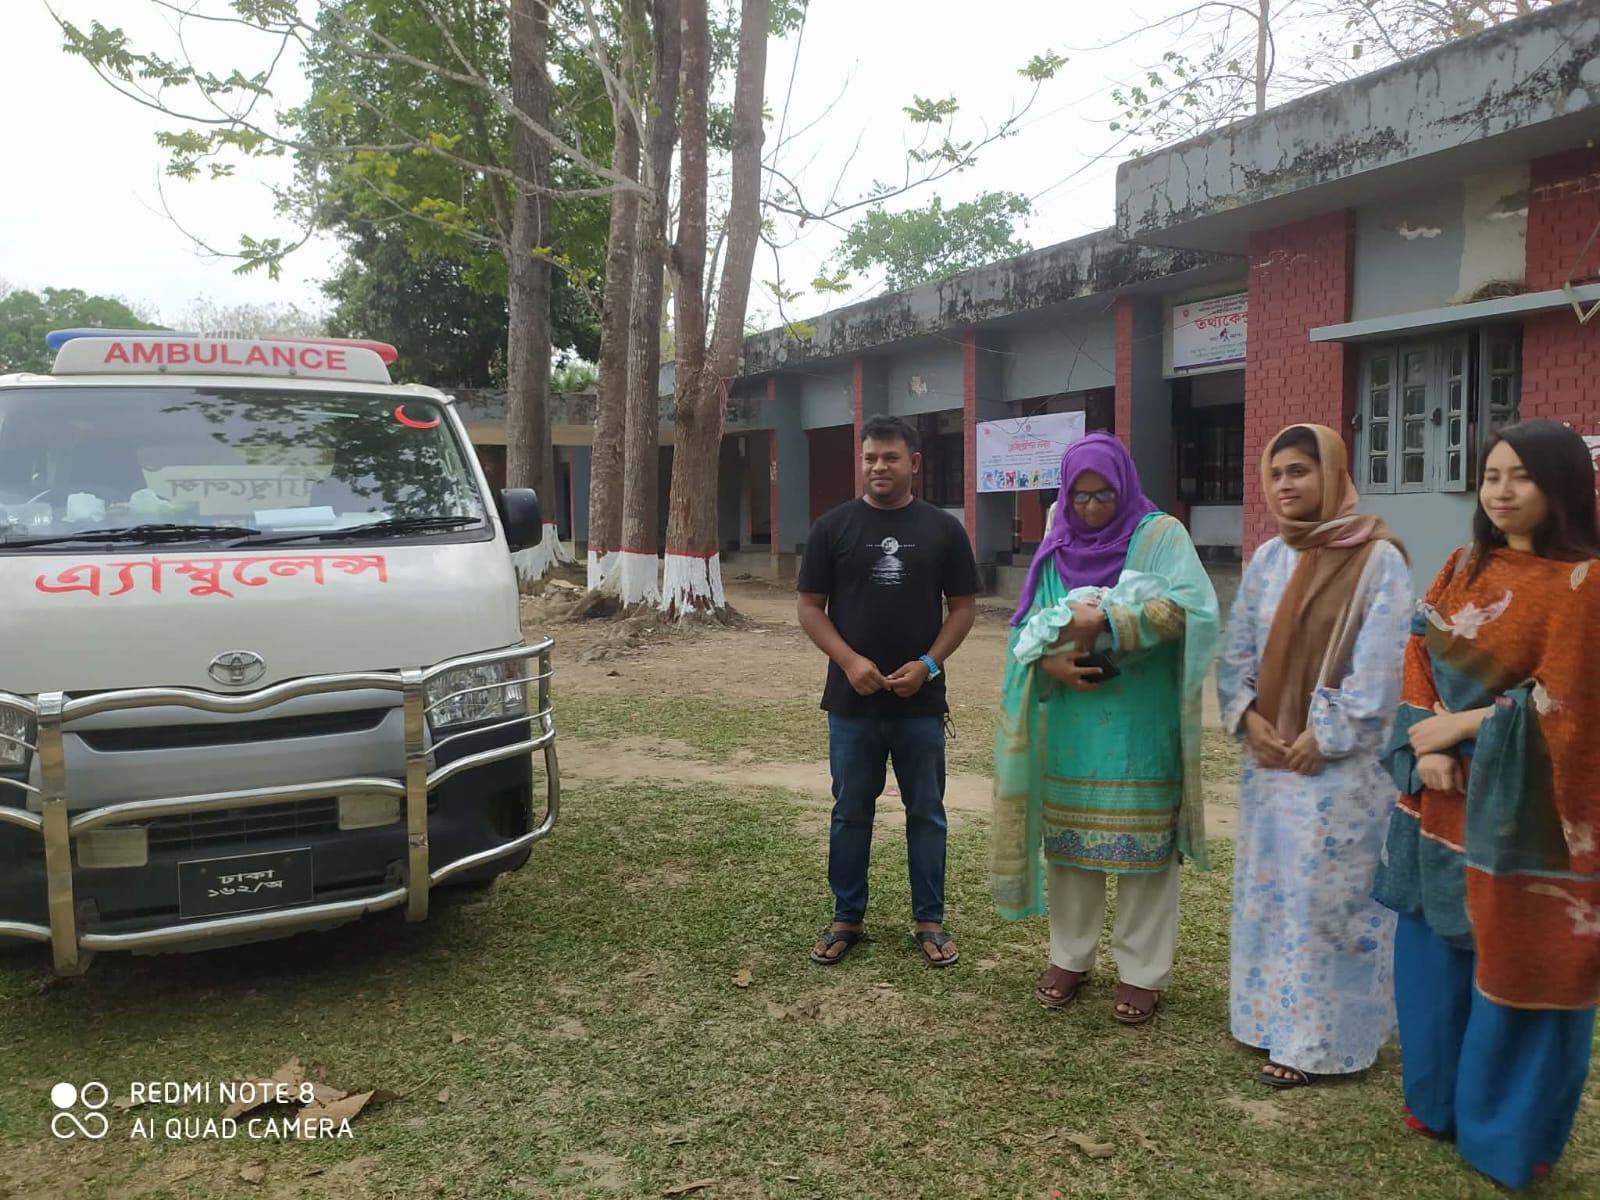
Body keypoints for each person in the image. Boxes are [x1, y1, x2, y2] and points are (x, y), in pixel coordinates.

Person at [1373, 420, 1600, 1191]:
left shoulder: (1586, 583)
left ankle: (1506, 1134)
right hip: (1438, 797)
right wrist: (1424, 746)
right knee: (1435, 952)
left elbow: (1570, 702)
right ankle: (1434, 1103)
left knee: (1516, 961)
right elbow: (1417, 649)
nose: (1501, 491)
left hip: (1523, 816)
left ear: (1563, 485)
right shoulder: (1461, 566)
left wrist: (1465, 727)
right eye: (1491, 475)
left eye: (1521, 477)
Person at [992, 433, 1218, 1023]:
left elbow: (1193, 607)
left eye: (1102, 496)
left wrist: (1109, 617)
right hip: (1072, 718)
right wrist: (1049, 661)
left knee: (1146, 850)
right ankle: (1070, 956)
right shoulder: (1056, 538)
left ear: (1124, 485)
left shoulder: (1161, 535)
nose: (1090, 508)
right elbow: (1027, 623)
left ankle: (1142, 970)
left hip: (1141, 719)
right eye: (1079, 496)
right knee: (1069, 849)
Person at [1216, 424, 1412, 1088]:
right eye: (1276, 474)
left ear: (1333, 474)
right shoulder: (1269, 558)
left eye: (1301, 471)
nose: (1287, 485)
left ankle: (1322, 1042)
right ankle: (1266, 1019)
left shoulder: (1378, 559)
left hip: (1339, 774)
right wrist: (1249, 717)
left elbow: (1383, 666)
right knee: (1271, 896)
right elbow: (1238, 647)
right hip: (1270, 765)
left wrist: (1320, 734)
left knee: (1328, 904)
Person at [797, 414, 982, 968]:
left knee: (927, 811)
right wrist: (850, 661)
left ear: (915, 464)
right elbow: (810, 608)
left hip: (919, 703)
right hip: (852, 703)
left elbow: (965, 608)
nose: (879, 466)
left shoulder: (943, 531)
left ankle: (930, 920)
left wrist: (929, 663)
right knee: (851, 810)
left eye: (891, 457)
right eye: (871, 457)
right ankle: (845, 917)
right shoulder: (833, 528)